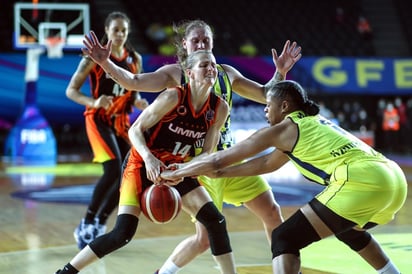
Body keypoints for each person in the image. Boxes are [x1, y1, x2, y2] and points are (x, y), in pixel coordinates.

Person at [81, 19, 301, 273]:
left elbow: (265, 94)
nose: (201, 44)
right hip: (198, 164)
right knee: (205, 238)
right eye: (195, 40)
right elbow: (133, 81)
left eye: (205, 40)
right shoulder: (176, 74)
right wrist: (105, 62)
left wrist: (280, 73)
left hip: (229, 157)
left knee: (272, 212)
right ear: (185, 45)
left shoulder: (226, 73)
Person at [161, 80, 407, 274]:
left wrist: (178, 171)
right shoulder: (313, 122)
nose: (265, 110)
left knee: (284, 237)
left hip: (362, 180)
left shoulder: (283, 130)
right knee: (348, 229)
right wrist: (221, 173)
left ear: (285, 106)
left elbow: (218, 158)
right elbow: (268, 163)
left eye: (268, 104)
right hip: (393, 179)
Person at [55, 50, 239, 274]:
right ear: (189, 72)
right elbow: (135, 130)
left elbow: (208, 152)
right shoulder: (173, 97)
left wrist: (183, 169)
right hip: (142, 163)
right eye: (204, 65)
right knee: (122, 234)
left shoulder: (219, 108)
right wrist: (150, 159)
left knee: (215, 220)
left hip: (177, 167)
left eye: (213, 64)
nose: (211, 69)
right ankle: (65, 272)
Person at [65, 11, 148, 250]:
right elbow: (71, 91)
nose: (120, 34)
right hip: (99, 118)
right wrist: (93, 102)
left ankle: (100, 222)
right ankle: (87, 221)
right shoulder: (93, 58)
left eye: (124, 30)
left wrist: (139, 100)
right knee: (112, 169)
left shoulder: (135, 58)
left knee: (127, 174)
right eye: (116, 30)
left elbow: (135, 87)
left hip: (121, 120)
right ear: (107, 31)